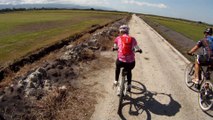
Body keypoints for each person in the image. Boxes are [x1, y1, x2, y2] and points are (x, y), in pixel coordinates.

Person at [113, 25, 142, 92]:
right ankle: (129, 85)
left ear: (120, 31)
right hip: (130, 63)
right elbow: (137, 47)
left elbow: (115, 46)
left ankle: (116, 81)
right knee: (129, 71)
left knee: (118, 68)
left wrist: (115, 48)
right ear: (128, 31)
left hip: (120, 61)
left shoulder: (118, 38)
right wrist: (139, 50)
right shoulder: (133, 39)